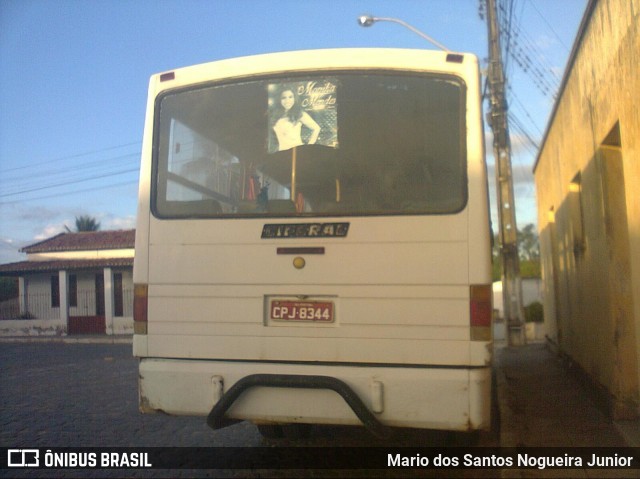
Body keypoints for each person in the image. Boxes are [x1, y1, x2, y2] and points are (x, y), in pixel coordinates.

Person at [270, 86, 320, 151]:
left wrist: (309, 147)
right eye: (284, 98)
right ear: (279, 99)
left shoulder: (299, 113)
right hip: (282, 153)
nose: (287, 101)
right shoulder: (275, 115)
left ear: (294, 98)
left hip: (297, 152)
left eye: (290, 97)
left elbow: (317, 128)